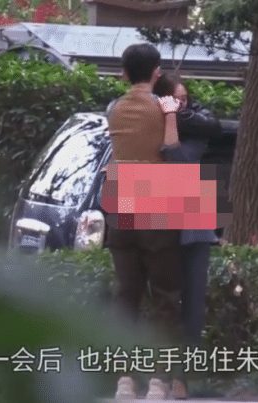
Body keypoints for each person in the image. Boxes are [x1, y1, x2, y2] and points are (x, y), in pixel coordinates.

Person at [102, 43, 183, 400]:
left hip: (120, 193)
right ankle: (158, 381)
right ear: (156, 72)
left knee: (127, 292)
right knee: (164, 294)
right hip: (156, 193)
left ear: (123, 73)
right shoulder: (163, 106)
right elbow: (172, 148)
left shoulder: (114, 109)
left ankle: (124, 379)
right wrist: (171, 113)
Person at [154, 73, 222, 399]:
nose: (180, 104)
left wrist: (172, 116)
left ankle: (182, 376)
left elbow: (179, 160)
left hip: (194, 220)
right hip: (157, 213)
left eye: (184, 100)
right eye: (174, 99)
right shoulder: (148, 121)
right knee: (161, 301)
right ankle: (156, 372)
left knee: (193, 304)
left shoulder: (196, 127)